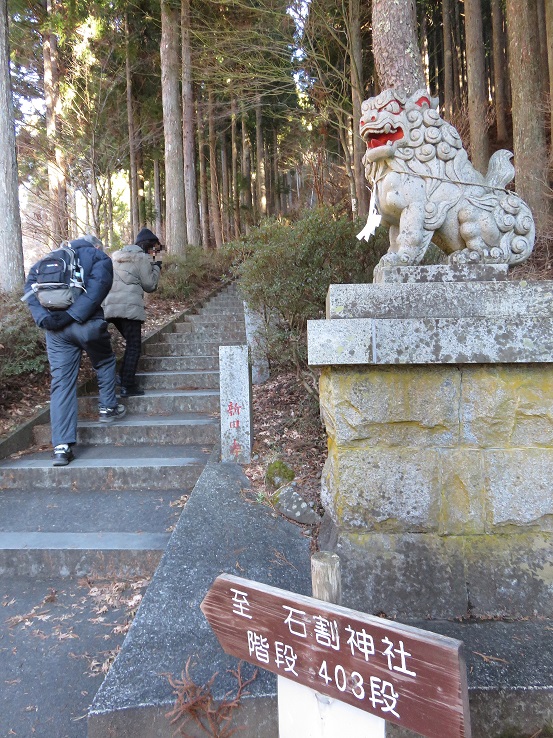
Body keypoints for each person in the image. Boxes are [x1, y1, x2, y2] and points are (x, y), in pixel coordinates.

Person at [23, 234, 126, 467]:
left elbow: (29, 289)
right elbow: (97, 290)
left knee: (61, 383)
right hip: (86, 325)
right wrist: (72, 316)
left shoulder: (49, 258)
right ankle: (108, 407)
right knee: (105, 361)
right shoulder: (99, 257)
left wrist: (44, 320)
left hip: (55, 331)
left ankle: (61, 446)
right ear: (96, 245)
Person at [103, 227, 162, 397]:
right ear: (148, 246)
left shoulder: (116, 257)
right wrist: (157, 267)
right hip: (128, 308)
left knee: (131, 343)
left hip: (110, 307)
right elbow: (150, 285)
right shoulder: (142, 258)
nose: (154, 252)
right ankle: (127, 385)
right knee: (134, 346)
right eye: (154, 249)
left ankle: (122, 377)